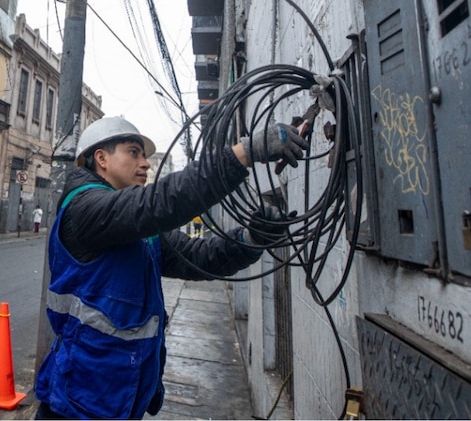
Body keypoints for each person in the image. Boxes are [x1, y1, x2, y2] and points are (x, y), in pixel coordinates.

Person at [34, 116, 308, 420]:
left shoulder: (136, 229)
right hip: (78, 401)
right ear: (101, 159)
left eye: (145, 155)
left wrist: (251, 239)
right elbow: (160, 203)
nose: (146, 163)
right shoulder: (84, 209)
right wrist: (243, 153)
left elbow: (196, 256)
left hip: (118, 397)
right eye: (133, 152)